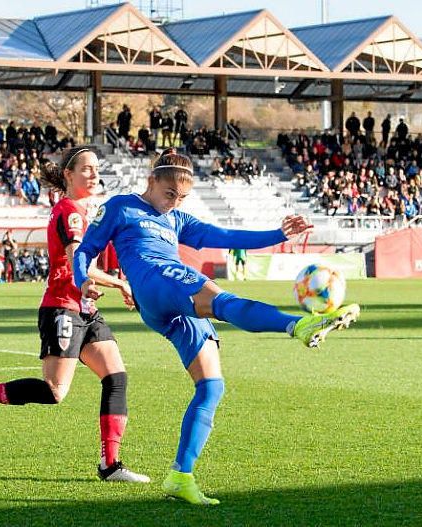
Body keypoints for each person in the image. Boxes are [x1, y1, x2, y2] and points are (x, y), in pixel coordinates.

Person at [72, 148, 360, 504]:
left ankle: (181, 476)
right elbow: (85, 249)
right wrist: (83, 279)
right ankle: (298, 325)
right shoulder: (121, 206)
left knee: (211, 387)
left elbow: (224, 236)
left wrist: (278, 233)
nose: (174, 203)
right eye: (169, 194)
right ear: (151, 181)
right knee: (221, 300)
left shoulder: (175, 220)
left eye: (181, 197)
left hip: (169, 308)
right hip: (155, 278)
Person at [0, 146, 149, 483]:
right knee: (54, 391)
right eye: (86, 169)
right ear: (69, 175)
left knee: (116, 376)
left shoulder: (89, 212)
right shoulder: (69, 212)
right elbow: (76, 262)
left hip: (85, 309)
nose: (94, 174)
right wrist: (120, 284)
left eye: (97, 168)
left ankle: (110, 464)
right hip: (61, 307)